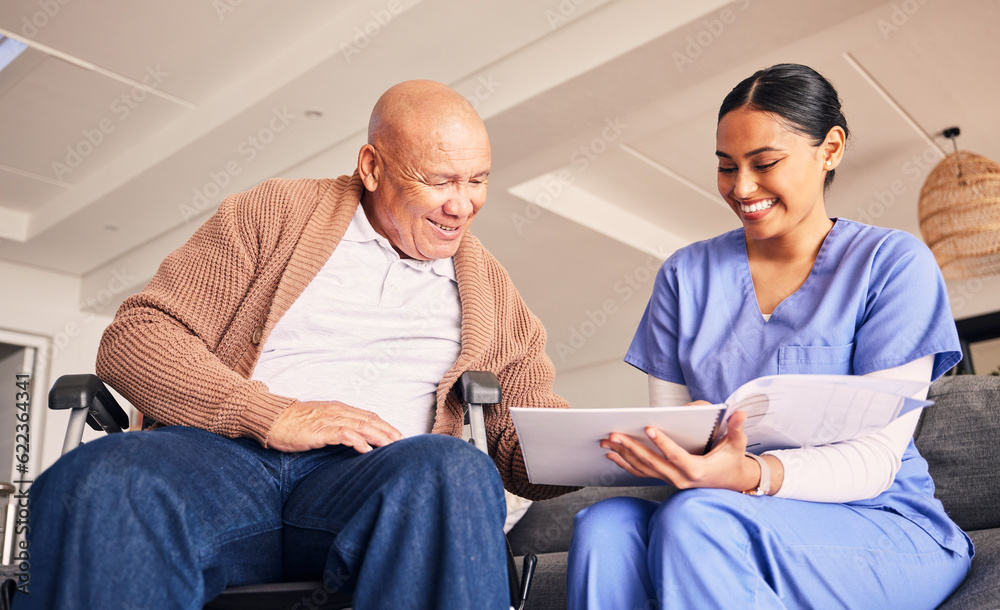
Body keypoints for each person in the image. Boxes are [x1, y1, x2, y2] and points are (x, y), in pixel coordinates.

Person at [19, 80, 573, 610]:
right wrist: (267, 413)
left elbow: (515, 437)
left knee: (454, 470)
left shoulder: (494, 293)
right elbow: (136, 338)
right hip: (221, 465)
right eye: (439, 180)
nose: (462, 205)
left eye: (477, 179)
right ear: (373, 167)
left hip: (375, 483)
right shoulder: (272, 214)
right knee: (102, 478)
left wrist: (598, 449)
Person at [566, 64, 972, 609]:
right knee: (605, 525)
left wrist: (752, 473)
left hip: (879, 521)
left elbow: (877, 459)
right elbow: (680, 437)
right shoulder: (685, 277)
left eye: (765, 163)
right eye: (726, 167)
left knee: (698, 518)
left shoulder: (892, 264)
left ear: (830, 148)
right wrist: (674, 452)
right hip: (729, 510)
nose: (742, 187)